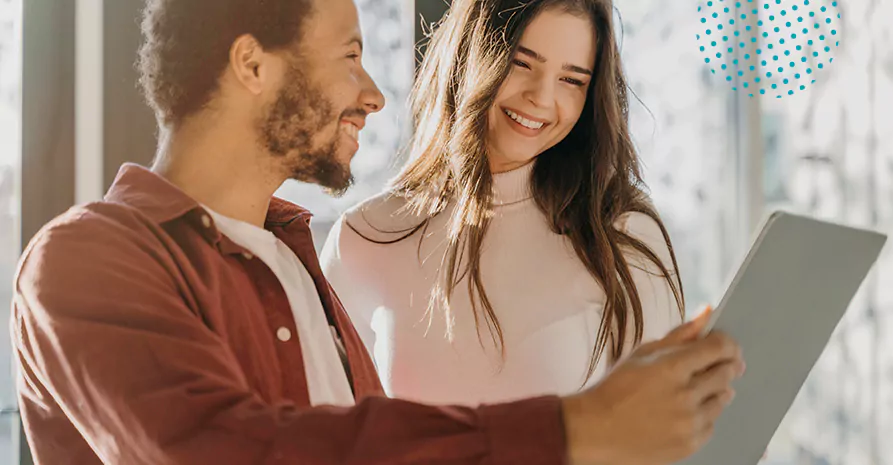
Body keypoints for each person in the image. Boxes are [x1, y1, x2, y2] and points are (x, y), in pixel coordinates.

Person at [10, 0, 744, 464]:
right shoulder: (87, 258)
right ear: (251, 64)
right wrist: (570, 432)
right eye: (351, 56)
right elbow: (227, 449)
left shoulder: (297, 267)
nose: (375, 92)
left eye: (574, 79)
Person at [321, 0, 683, 405]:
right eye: (522, 63)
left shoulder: (622, 238)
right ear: (472, 52)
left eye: (572, 80)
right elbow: (327, 435)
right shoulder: (364, 238)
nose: (541, 99)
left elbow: (663, 439)